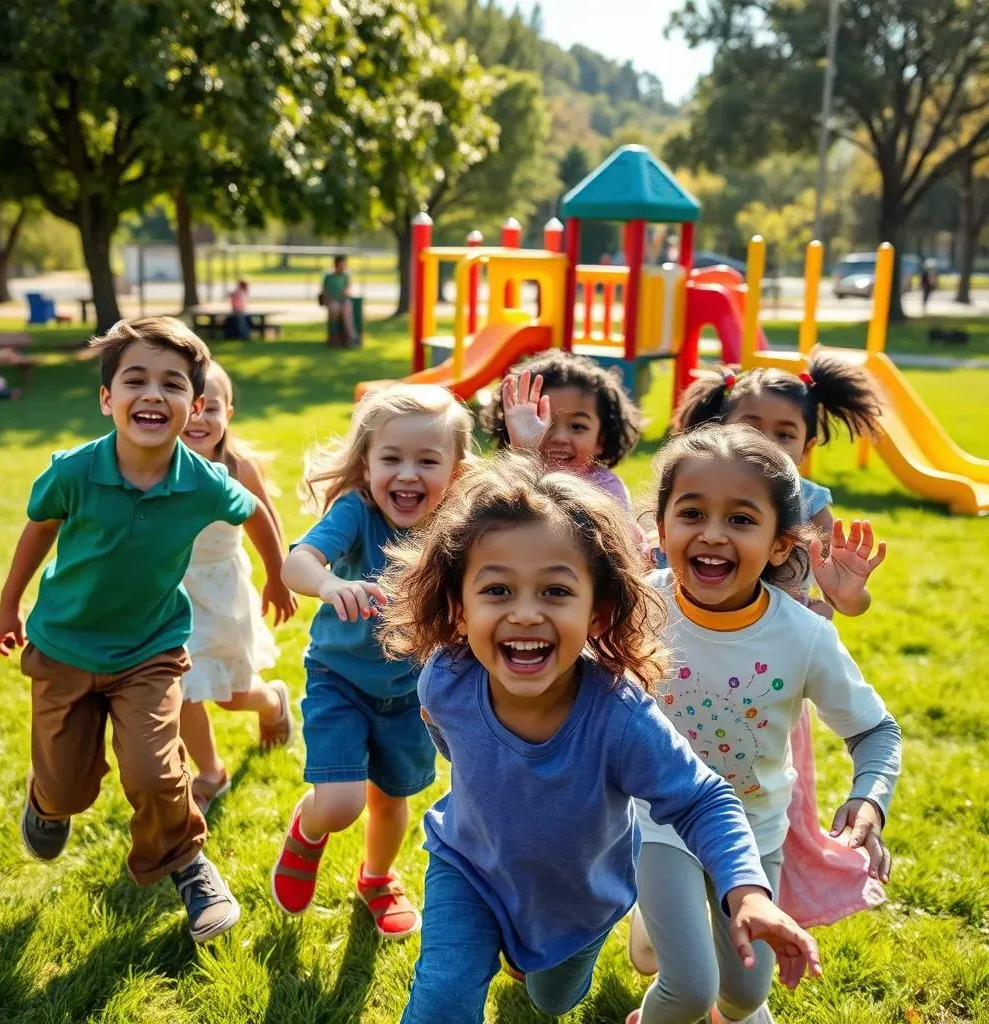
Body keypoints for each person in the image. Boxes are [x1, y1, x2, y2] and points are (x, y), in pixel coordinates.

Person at [377, 452, 822, 1024]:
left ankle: (541, 958)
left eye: (556, 593)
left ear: (598, 612)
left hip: (579, 901)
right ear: (459, 609)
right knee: (442, 998)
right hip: (470, 868)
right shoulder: (446, 679)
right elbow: (450, 739)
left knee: (552, 998)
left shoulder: (620, 717)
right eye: (496, 591)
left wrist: (748, 891)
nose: (525, 614)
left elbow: (703, 799)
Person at [0, 316, 286, 944]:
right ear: (107, 399)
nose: (154, 394)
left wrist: (277, 575)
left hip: (150, 651)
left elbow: (255, 511)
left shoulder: (204, 482)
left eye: (172, 384)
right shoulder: (73, 471)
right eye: (136, 380)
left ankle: (187, 864)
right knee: (67, 789)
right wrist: (9, 605)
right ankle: (46, 801)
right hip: (65, 647)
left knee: (153, 772)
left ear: (195, 406)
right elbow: (38, 530)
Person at [628, 424, 900, 1024]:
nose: (713, 534)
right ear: (663, 527)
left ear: (781, 544)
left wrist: (869, 799)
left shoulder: (803, 635)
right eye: (692, 512)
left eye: (743, 520)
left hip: (754, 826)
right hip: (657, 820)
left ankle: (658, 923)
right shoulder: (636, 608)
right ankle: (656, 924)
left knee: (745, 995)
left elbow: (876, 730)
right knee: (689, 991)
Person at [270, 384, 476, 939]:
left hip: (414, 692)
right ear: (366, 463)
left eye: (427, 461)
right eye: (391, 459)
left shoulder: (456, 525)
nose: (407, 474)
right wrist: (330, 581)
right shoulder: (356, 512)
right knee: (339, 804)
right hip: (342, 680)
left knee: (391, 799)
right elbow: (299, 562)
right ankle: (308, 831)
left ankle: (377, 878)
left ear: (456, 471)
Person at [670, 350, 885, 618]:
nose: (767, 443)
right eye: (751, 428)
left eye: (784, 434)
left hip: (779, 635)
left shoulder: (810, 502)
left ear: (806, 447)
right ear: (719, 431)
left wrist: (847, 594)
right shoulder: (698, 485)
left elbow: (847, 601)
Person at [178, 361, 299, 814]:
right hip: (169, 592)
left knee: (228, 695)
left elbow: (266, 522)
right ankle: (209, 772)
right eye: (191, 407)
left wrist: (277, 575)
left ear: (229, 411)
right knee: (181, 685)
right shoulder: (155, 464)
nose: (199, 418)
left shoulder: (236, 468)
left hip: (219, 590)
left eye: (211, 408)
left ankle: (270, 702)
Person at [480, 351, 641, 510]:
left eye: (577, 426)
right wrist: (523, 456)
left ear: (601, 440)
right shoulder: (504, 480)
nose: (560, 438)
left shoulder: (607, 491)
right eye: (543, 422)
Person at [320, 255, 357, 347]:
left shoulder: (346, 276)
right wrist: (330, 300)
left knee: (347, 311)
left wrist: (346, 293)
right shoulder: (328, 277)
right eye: (341, 265)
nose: (342, 267)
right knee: (334, 308)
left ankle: (350, 338)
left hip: (343, 301)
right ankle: (334, 338)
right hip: (332, 301)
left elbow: (348, 290)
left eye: (344, 265)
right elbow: (325, 292)